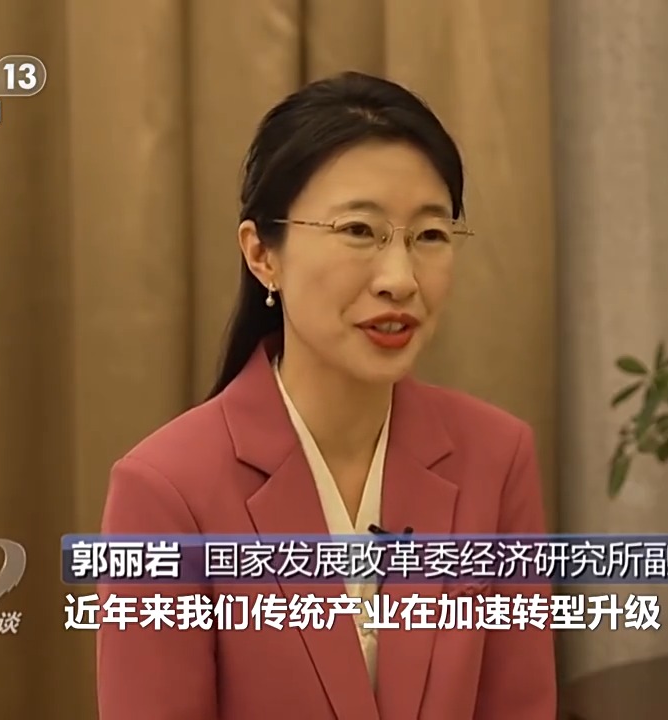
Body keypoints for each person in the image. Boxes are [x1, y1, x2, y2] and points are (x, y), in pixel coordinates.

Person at [95, 71, 557, 720]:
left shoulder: (497, 457)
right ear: (263, 255)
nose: (400, 279)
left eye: (429, 235)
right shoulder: (166, 491)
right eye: (359, 231)